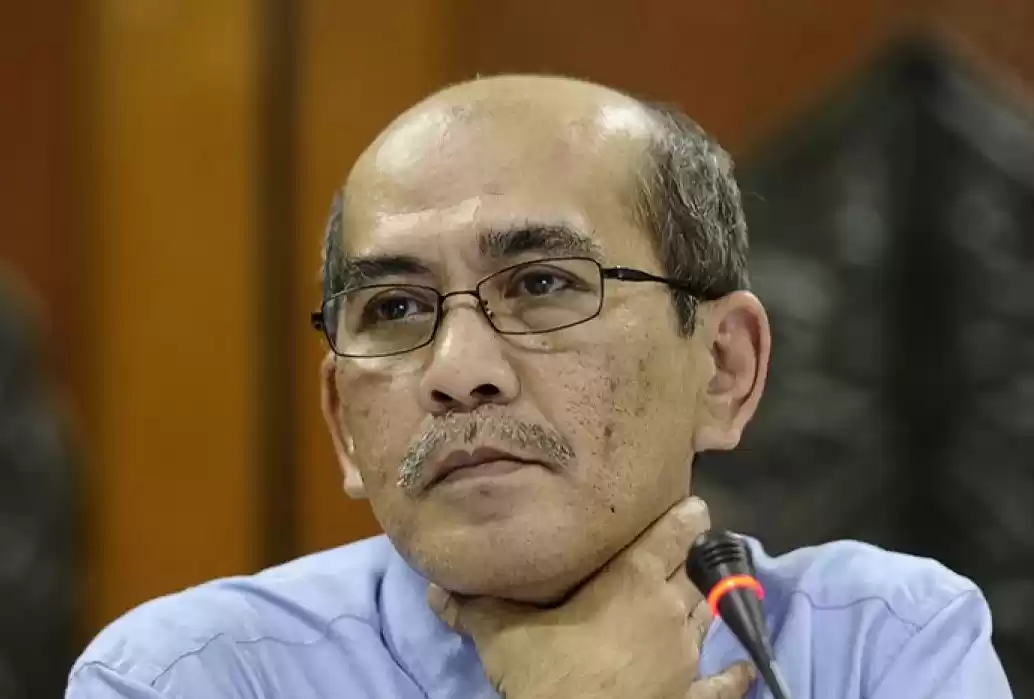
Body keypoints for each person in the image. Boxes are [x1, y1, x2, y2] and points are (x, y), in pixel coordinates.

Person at [66, 75, 1013, 699]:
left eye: (544, 284)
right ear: (344, 422)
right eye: (395, 308)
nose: (457, 370)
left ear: (724, 367)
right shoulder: (188, 675)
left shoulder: (881, 646)